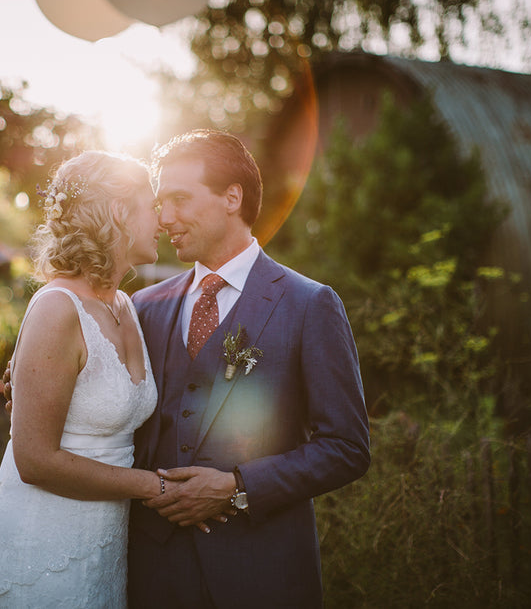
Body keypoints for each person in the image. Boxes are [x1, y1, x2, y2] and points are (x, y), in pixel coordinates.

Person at [126, 129, 371, 607]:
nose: (165, 218)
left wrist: (238, 488)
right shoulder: (144, 307)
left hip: (262, 573)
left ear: (231, 197)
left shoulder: (309, 305)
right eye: (160, 203)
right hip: (154, 572)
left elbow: (346, 448)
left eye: (179, 199)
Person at [0, 151, 171, 608]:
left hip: (106, 541)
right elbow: (35, 460)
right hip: (44, 540)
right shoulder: (56, 307)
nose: (161, 220)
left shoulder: (126, 306)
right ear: (120, 213)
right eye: (152, 205)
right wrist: (154, 488)